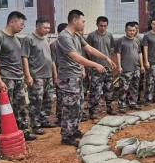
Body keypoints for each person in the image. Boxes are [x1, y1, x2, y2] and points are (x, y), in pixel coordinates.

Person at [56, 10, 115, 146]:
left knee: (78, 105)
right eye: (83, 21)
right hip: (68, 77)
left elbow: (89, 49)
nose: (84, 24)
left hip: (76, 77)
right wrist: (95, 65)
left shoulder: (76, 35)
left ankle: (74, 129)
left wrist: (105, 57)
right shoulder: (64, 37)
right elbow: (76, 57)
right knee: (70, 107)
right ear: (75, 20)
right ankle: (67, 135)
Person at [0, 12, 36, 141]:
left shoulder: (17, 39)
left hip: (18, 78)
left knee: (21, 106)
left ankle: (24, 131)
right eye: (21, 24)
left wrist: (25, 75)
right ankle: (4, 135)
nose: (22, 27)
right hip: (6, 79)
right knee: (6, 108)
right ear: (11, 22)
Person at [21, 18, 54, 135]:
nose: (48, 30)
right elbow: (24, 57)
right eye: (45, 27)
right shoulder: (28, 39)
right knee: (36, 101)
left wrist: (53, 74)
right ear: (38, 26)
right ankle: (35, 125)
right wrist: (28, 75)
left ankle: (44, 120)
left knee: (48, 100)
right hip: (37, 76)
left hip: (48, 75)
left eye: (49, 28)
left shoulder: (45, 39)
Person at [86, 16, 116, 119]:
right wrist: (92, 64)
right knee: (96, 91)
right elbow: (88, 51)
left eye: (105, 26)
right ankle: (93, 111)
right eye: (101, 25)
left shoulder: (110, 35)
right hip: (96, 68)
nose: (103, 28)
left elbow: (111, 49)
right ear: (97, 25)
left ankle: (110, 108)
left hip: (107, 67)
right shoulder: (91, 36)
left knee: (109, 89)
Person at [116, 22, 144, 112]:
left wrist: (142, 65)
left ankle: (133, 103)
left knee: (134, 87)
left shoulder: (137, 40)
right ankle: (122, 105)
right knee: (124, 88)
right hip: (126, 68)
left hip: (136, 68)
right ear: (125, 30)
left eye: (133, 30)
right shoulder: (121, 40)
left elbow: (140, 53)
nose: (131, 32)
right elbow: (118, 53)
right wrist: (119, 66)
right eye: (130, 30)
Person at [50, 23, 67, 126]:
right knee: (60, 96)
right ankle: (60, 117)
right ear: (59, 33)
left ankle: (68, 117)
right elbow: (52, 61)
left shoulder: (70, 42)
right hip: (60, 73)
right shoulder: (54, 45)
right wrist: (56, 75)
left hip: (69, 73)